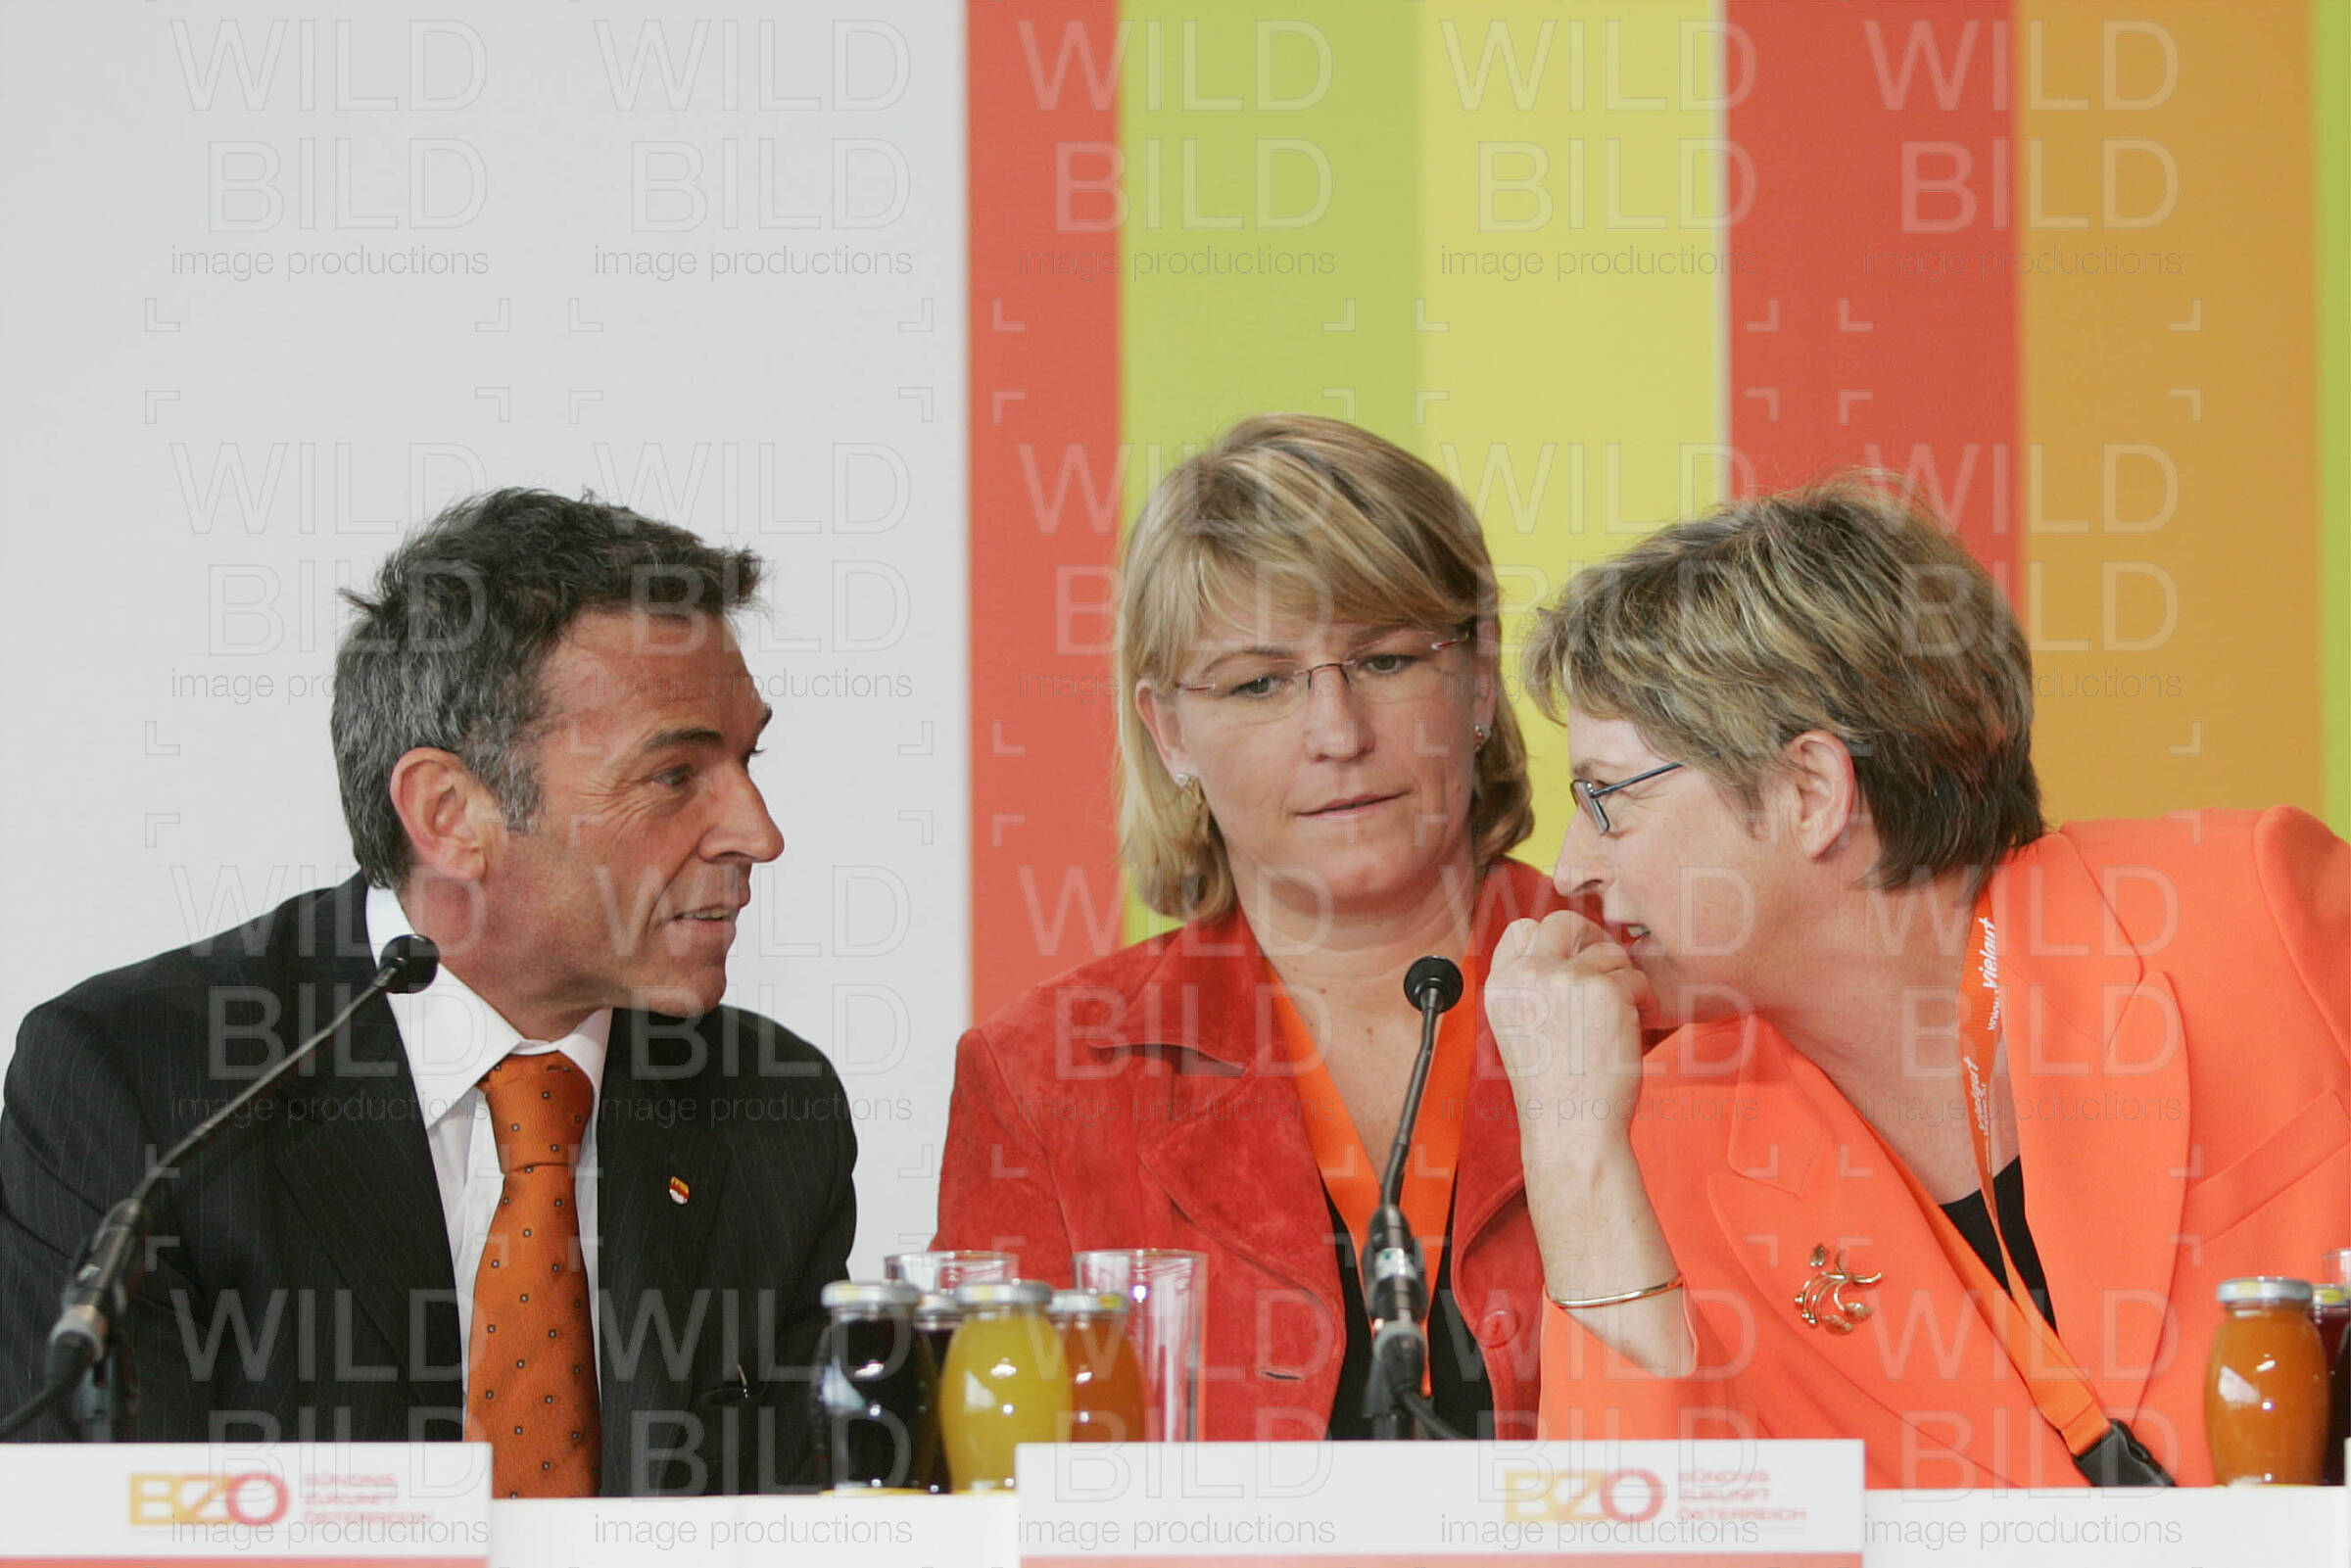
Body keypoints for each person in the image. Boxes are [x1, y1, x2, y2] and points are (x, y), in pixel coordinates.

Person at [1490, 475, 2351, 1487]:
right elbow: (1637, 1535)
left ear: (1811, 791)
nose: (1572, 868)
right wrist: (1571, 1152)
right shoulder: (1666, 1143)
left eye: (1606, 798)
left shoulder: (2253, 904)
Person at [0, 491, 856, 1496]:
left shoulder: (770, 1111)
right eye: (674, 775)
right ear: (450, 814)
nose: (759, 832)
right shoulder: (146, 1084)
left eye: (747, 760)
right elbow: (109, 1520)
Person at [934, 414, 1560, 1440]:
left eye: (1387, 660)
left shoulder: (1666, 1007)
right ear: (1170, 732)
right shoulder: (1046, 1076)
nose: (1338, 733)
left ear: (1480, 675)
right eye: (1259, 683)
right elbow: (1004, 1490)